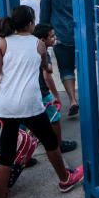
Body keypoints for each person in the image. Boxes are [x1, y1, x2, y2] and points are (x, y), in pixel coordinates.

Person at [0, 6, 84, 198]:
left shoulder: (2, 43)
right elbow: (44, 68)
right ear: (30, 24)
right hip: (31, 104)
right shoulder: (38, 44)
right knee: (49, 142)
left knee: (6, 156)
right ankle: (65, 179)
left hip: (6, 106)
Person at [40, 0, 79, 117]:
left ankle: (73, 99)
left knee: (66, 68)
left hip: (62, 36)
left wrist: (44, 33)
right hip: (83, 35)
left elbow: (44, 10)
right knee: (84, 68)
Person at [33, 24, 77, 154]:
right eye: (51, 36)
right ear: (42, 39)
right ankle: (59, 145)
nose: (54, 38)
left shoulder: (32, 48)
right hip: (41, 91)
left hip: (31, 91)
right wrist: (56, 96)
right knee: (55, 117)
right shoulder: (43, 52)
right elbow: (47, 76)